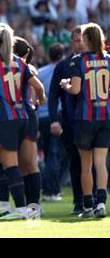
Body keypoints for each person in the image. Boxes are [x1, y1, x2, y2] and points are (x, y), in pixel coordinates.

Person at [0, 24, 46, 220]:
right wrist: (40, 101)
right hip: (25, 117)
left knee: (12, 165)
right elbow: (38, 86)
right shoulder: (22, 63)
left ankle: (21, 209)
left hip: (5, 120)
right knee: (2, 160)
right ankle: (9, 205)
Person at [60, 23, 109, 218]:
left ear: (86, 39)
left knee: (86, 164)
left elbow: (76, 90)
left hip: (85, 118)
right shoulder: (108, 60)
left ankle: (88, 206)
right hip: (106, 116)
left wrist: (66, 85)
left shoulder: (78, 60)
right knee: (101, 163)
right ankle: (101, 204)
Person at [49, 26, 85, 214]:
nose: (79, 44)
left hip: (91, 119)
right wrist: (54, 119)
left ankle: (94, 199)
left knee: (94, 162)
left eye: (82, 40)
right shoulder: (63, 66)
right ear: (71, 42)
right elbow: (53, 94)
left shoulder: (94, 62)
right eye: (76, 40)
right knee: (75, 162)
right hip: (71, 121)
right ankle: (80, 201)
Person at [13, 37, 43, 217]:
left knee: (31, 163)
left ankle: (35, 206)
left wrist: (41, 100)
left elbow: (36, 92)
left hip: (27, 116)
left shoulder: (27, 68)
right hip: (17, 117)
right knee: (23, 165)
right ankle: (28, 207)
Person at [38, 44, 65, 201]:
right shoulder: (63, 70)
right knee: (55, 155)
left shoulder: (41, 73)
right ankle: (52, 190)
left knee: (48, 155)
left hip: (42, 117)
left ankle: (48, 189)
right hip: (57, 117)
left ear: (49, 55)